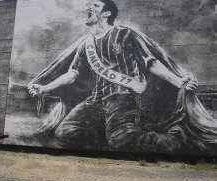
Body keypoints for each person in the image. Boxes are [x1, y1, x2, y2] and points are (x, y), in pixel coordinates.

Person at [28, 0, 217, 153]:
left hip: (124, 97)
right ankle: (110, 134)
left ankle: (176, 139)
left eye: (95, 5)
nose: (89, 7)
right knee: (66, 133)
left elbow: (149, 61)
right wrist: (44, 88)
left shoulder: (124, 34)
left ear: (107, 13)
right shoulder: (86, 44)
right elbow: (72, 73)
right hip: (95, 100)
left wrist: (178, 81)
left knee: (122, 141)